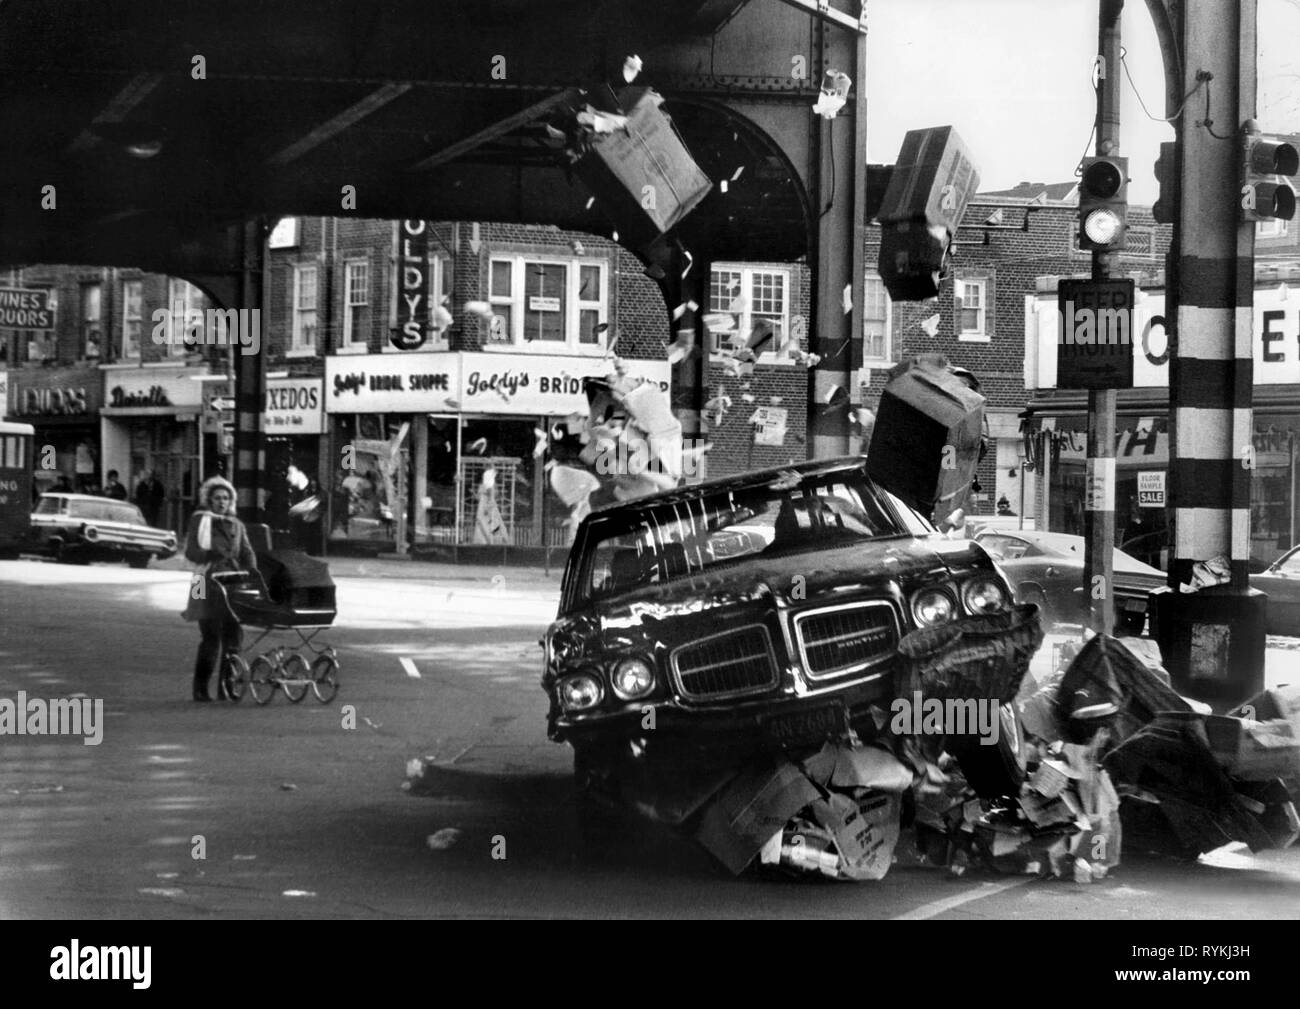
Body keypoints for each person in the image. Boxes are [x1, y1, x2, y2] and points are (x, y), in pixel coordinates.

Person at [182, 476, 258, 702]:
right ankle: (200, 688)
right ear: (209, 500)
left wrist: (252, 571)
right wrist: (208, 555)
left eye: (226, 498)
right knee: (210, 636)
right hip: (203, 580)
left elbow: (247, 551)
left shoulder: (237, 525)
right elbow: (190, 552)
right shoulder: (200, 520)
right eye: (217, 498)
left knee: (233, 637)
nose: (221, 502)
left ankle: (227, 686)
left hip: (232, 580)